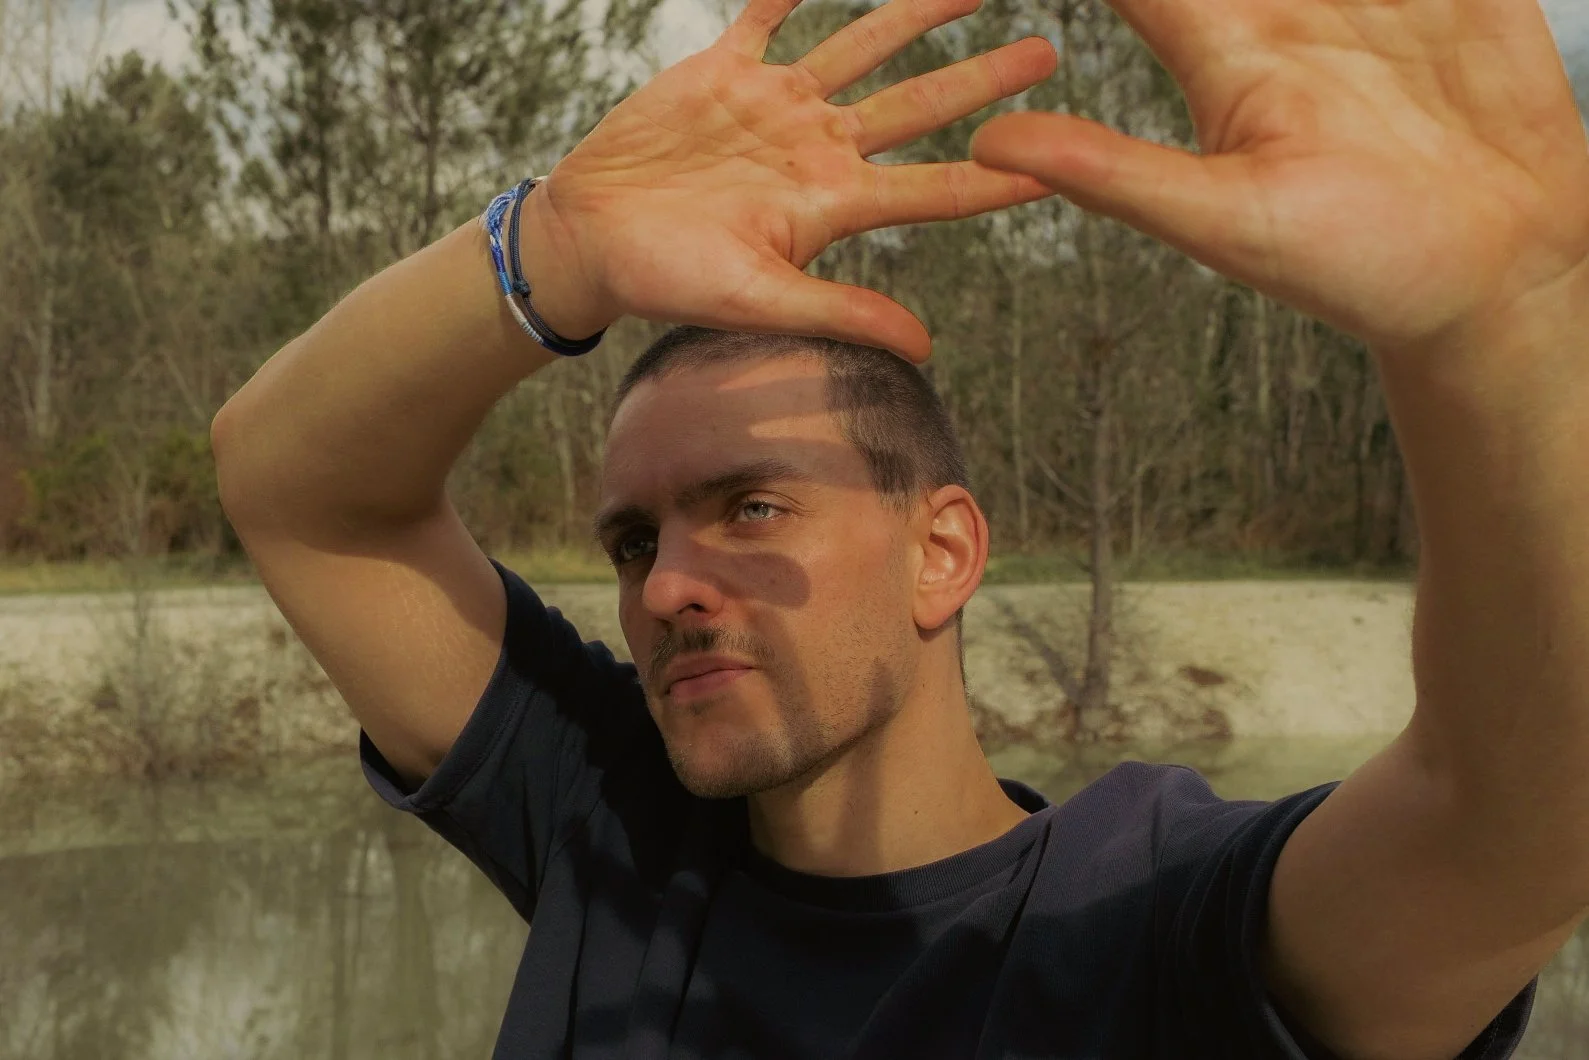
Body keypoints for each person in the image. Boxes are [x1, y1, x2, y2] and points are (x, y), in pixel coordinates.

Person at [210, 0, 1589, 1055]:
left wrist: (1506, 332)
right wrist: (557, 246)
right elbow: (290, 484)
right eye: (633, 544)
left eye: (751, 507)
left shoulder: (1147, 914)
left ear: (944, 554)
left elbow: (1519, 813)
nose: (668, 586)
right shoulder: (617, 828)